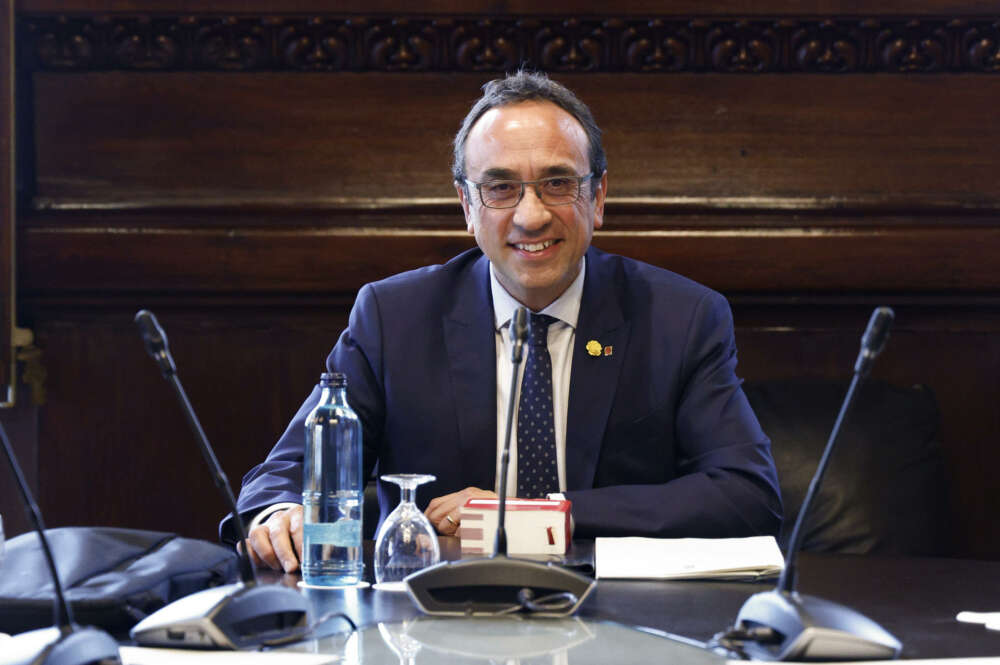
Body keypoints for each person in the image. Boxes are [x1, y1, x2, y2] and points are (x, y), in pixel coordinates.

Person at [223, 71, 782, 573]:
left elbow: (745, 493)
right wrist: (279, 513)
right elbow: (286, 471)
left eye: (558, 183)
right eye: (501, 188)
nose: (531, 214)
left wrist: (526, 517)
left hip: (617, 611)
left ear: (599, 197)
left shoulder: (681, 317)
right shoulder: (395, 318)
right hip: (437, 618)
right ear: (468, 206)